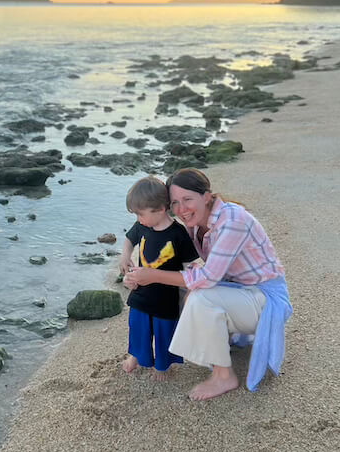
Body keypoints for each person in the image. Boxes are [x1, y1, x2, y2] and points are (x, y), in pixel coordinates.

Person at [125, 167, 292, 401]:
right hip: (239, 292)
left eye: (187, 199)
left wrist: (152, 275)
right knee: (176, 291)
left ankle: (224, 376)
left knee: (199, 296)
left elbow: (209, 277)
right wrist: (139, 276)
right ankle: (201, 345)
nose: (181, 209)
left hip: (264, 299)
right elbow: (200, 269)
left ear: (206, 196)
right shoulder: (195, 224)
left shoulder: (233, 220)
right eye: (175, 203)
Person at [120, 175, 198, 379]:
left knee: (164, 333)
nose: (138, 218)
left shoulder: (179, 234)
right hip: (141, 292)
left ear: (161, 209)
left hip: (166, 297)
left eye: (140, 214)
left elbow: (190, 268)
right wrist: (125, 256)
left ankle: (163, 365)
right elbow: (129, 240)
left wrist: (189, 294)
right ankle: (136, 355)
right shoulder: (143, 226)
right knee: (137, 327)